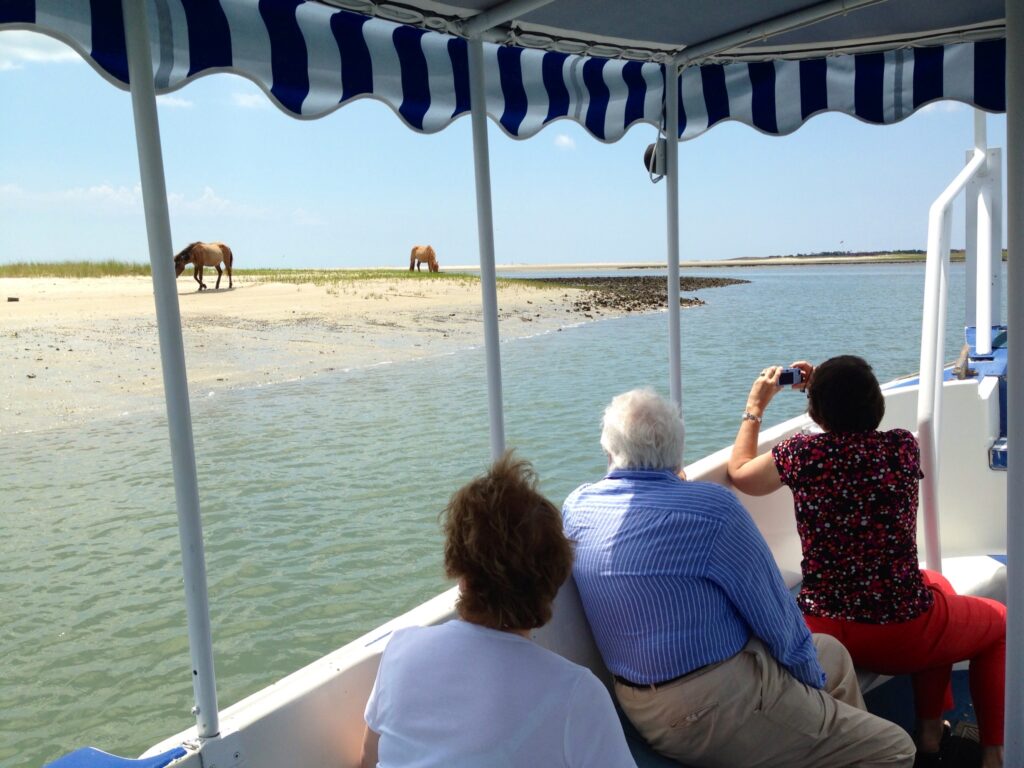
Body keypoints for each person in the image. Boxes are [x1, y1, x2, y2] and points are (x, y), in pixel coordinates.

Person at [563, 387, 914, 768]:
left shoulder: (578, 506)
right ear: (678, 453)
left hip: (641, 702)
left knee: (832, 654)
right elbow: (775, 614)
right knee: (894, 748)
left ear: (608, 450)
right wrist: (808, 690)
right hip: (714, 704)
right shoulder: (712, 510)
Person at [727, 356, 1006, 768]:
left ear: (817, 411)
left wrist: (756, 406)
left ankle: (930, 734)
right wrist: (826, 390)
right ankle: (984, 754)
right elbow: (849, 422)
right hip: (904, 629)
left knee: (938, 586)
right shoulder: (901, 448)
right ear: (875, 403)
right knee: (997, 623)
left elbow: (740, 473)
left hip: (826, 630)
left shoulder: (802, 455)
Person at [360, 451, 637, 768]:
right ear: (553, 581)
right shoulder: (578, 693)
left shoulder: (402, 649)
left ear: (459, 570)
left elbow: (368, 759)